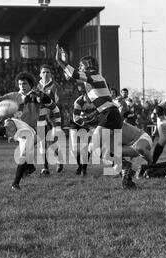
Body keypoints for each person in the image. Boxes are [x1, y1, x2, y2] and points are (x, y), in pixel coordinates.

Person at [55, 45, 135, 189]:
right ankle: (126, 174)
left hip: (110, 115)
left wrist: (60, 61)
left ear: (88, 66)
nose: (79, 68)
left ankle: (125, 166)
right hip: (109, 115)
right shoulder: (92, 78)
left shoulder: (93, 76)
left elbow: (74, 75)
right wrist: (65, 63)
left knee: (95, 148)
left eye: (81, 65)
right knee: (100, 150)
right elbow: (72, 76)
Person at [37, 64, 63, 174]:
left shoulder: (55, 86)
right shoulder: (36, 86)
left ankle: (59, 159)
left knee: (52, 140)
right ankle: (45, 167)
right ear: (40, 74)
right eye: (43, 72)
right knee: (42, 141)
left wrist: (50, 109)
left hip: (53, 115)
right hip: (40, 116)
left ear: (50, 74)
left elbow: (58, 102)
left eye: (47, 72)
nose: (45, 74)